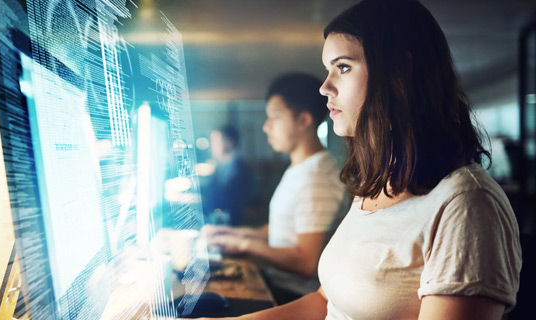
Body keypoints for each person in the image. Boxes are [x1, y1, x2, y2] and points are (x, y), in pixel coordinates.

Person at [196, 0, 522, 319]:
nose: (325, 87)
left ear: (399, 73)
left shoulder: (468, 205)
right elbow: (328, 301)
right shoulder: (375, 185)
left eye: (344, 67)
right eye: (329, 69)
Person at [205, 73, 346, 304]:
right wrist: (233, 235)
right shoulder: (300, 168)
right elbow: (283, 229)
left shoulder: (316, 177)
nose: (266, 126)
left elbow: (306, 262)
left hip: (294, 295)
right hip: (277, 285)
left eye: (275, 117)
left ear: (303, 121)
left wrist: (245, 245)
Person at [201, 125, 254, 226]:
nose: (212, 147)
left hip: (231, 223)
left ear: (230, 142)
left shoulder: (240, 169)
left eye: (216, 142)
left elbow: (234, 202)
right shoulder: (220, 166)